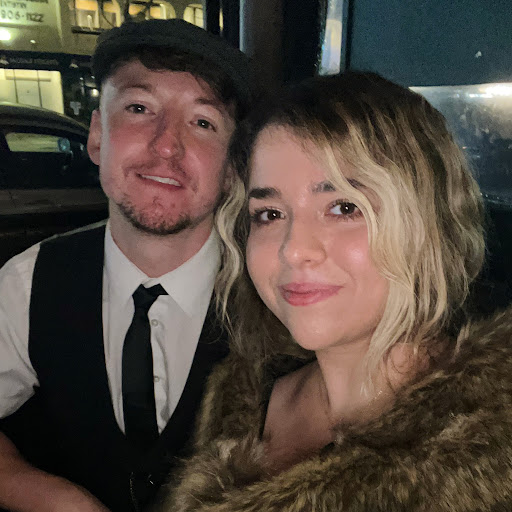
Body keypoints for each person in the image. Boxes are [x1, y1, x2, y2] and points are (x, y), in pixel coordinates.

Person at [158, 72, 512, 511]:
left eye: (344, 207)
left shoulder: (494, 455)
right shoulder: (238, 401)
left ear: (429, 223)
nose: (293, 250)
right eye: (269, 214)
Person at [0, 19, 255, 512]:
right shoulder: (29, 284)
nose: (167, 145)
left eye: (203, 122)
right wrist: (54, 498)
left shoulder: (276, 295)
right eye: (139, 108)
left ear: (231, 167)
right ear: (98, 136)